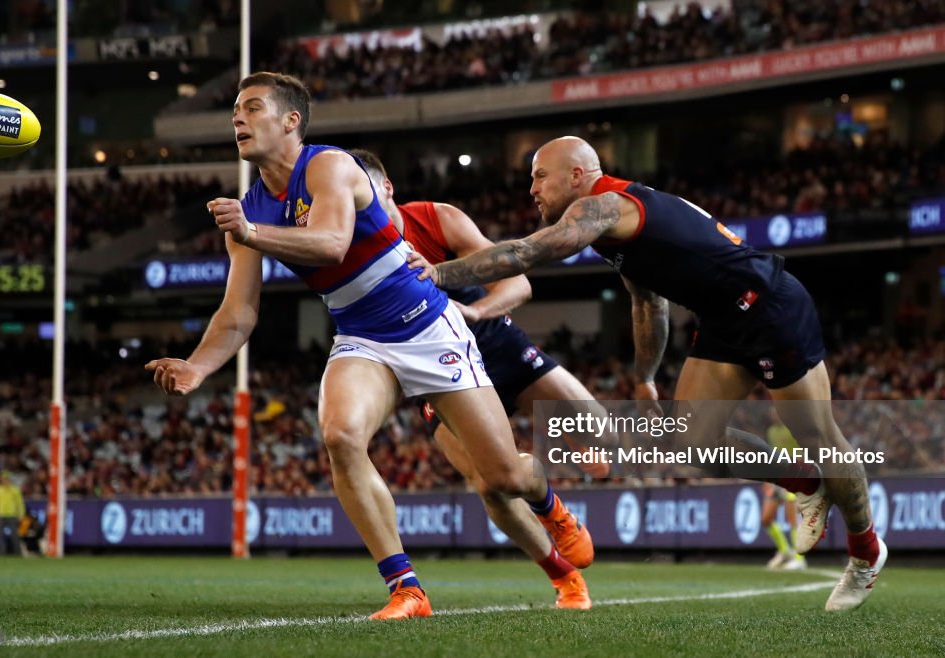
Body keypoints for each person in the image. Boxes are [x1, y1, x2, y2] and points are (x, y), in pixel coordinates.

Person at [144, 74, 593, 620]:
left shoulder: (329, 166)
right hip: (361, 336)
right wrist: (197, 366)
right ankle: (407, 589)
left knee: (502, 476)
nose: (237, 118)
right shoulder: (249, 209)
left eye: (252, 108)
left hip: (429, 327)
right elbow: (239, 312)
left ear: (291, 121)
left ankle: (550, 506)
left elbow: (333, 244)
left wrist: (252, 233)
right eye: (234, 110)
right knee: (340, 435)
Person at [413, 135, 885, 613]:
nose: (531, 189)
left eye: (539, 176)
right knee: (694, 443)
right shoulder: (613, 229)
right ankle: (806, 483)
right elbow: (648, 303)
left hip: (768, 307)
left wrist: (439, 274)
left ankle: (865, 554)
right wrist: (644, 378)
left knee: (820, 436)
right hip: (723, 319)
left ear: (577, 175)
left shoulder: (604, 207)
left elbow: (527, 254)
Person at [352, 148, 610, 609]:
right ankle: (564, 571)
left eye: (360, 193)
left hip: (494, 341)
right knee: (490, 483)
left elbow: (518, 284)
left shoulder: (436, 219)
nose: (355, 206)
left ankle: (558, 467)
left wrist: (473, 311)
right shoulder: (351, 249)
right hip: (437, 367)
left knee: (601, 434)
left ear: (386, 188)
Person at [763, 414, 806, 571]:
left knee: (792, 519)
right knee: (766, 518)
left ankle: (799, 558)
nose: (774, 414)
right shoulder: (771, 431)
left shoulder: (794, 429)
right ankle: (785, 551)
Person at [0, 470, 25, 555]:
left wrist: (21, 514)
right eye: (3, 479)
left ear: (9, 480)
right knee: (1, 536)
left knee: (14, 535)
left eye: (6, 479)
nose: (5, 481)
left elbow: (19, 503)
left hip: (12, 515)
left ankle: (17, 552)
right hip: (1, 514)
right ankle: (2, 552)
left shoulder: (15, 490)